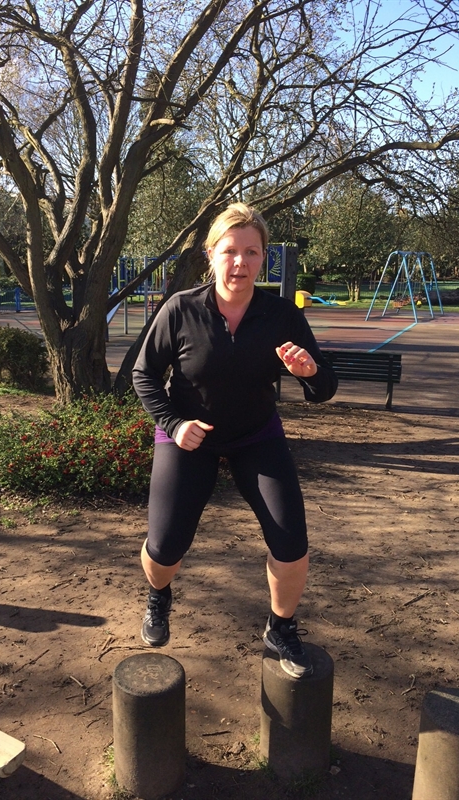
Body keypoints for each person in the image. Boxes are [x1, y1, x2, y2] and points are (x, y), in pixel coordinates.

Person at [132, 202, 338, 678]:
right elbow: (145, 374)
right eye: (230, 251)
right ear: (211, 254)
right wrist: (172, 423)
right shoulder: (181, 309)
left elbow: (325, 385)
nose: (240, 262)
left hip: (256, 437)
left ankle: (280, 626)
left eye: (252, 252)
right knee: (164, 548)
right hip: (188, 437)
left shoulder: (281, 315)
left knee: (292, 545)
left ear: (264, 258)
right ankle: (158, 595)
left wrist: (309, 373)